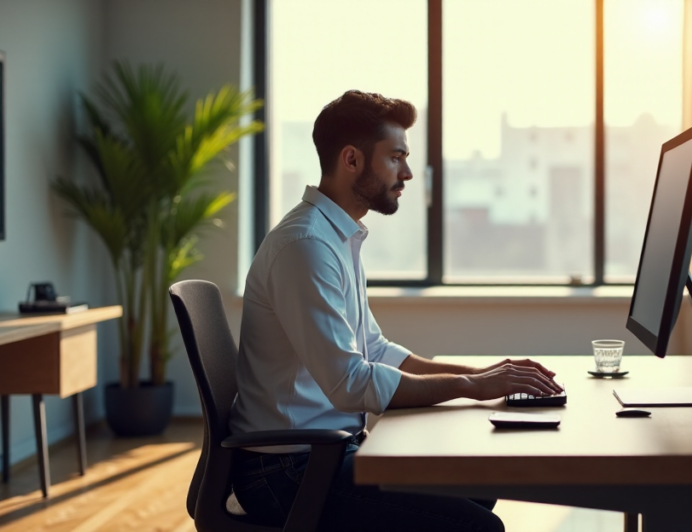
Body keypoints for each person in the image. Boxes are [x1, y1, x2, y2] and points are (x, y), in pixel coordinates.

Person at [228, 90, 562, 532]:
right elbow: (351, 383)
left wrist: (485, 375)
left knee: (479, 486)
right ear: (352, 160)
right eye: (395, 158)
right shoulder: (306, 246)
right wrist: (470, 385)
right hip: (287, 472)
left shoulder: (334, 236)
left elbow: (375, 351)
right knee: (479, 527)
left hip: (323, 452)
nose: (406, 173)